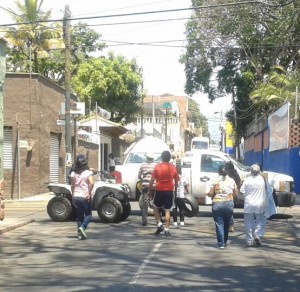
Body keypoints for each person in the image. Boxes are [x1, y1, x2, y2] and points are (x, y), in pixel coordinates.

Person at [148, 150, 179, 237]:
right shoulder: (173, 167)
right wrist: (175, 191)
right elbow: (176, 181)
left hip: (159, 190)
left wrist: (149, 190)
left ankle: (159, 224)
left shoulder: (157, 167)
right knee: (167, 210)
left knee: (155, 207)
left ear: (162, 157)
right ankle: (167, 229)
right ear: (169, 158)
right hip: (169, 191)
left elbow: (152, 180)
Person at [207, 165, 238, 248]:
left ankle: (221, 244)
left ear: (219, 172)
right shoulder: (232, 181)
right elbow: (235, 193)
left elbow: (210, 193)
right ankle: (224, 241)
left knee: (219, 223)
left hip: (217, 204)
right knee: (227, 223)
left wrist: (208, 194)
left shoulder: (215, 180)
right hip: (229, 203)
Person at [240, 164, 268, 247]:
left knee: (249, 222)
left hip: (249, 204)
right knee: (260, 221)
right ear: (259, 171)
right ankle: (258, 235)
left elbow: (241, 191)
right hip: (260, 204)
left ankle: (249, 241)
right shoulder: (262, 180)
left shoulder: (247, 180)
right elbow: (268, 190)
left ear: (250, 171)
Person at [71, 155, 94, 240]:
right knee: (88, 214)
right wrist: (89, 193)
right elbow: (91, 183)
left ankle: (80, 235)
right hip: (85, 196)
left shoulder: (74, 174)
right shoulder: (88, 173)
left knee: (79, 216)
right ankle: (82, 227)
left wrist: (73, 195)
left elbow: (72, 186)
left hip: (76, 196)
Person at [138, 153, 157, 226]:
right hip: (154, 186)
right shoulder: (156, 165)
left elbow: (139, 176)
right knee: (156, 203)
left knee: (145, 204)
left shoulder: (142, 165)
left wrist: (143, 179)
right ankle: (159, 219)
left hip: (145, 186)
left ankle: (144, 220)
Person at [224, 162, 242, 232]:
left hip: (230, 194)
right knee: (229, 210)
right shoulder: (234, 173)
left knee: (228, 211)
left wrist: (237, 195)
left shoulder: (232, 175)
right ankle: (230, 224)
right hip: (231, 194)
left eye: (226, 168)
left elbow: (238, 184)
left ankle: (230, 225)